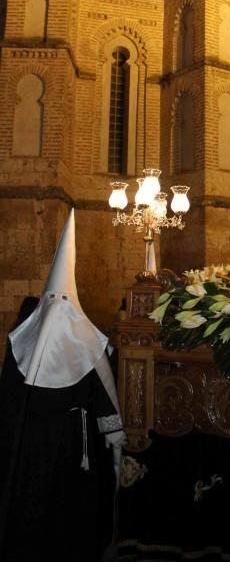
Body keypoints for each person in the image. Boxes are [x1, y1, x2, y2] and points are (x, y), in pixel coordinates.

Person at [0, 210, 126, 562]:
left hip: (34, 445)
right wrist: (115, 440)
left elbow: (9, 399)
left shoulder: (21, 338)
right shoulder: (86, 338)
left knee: (37, 507)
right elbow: (105, 399)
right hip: (75, 445)